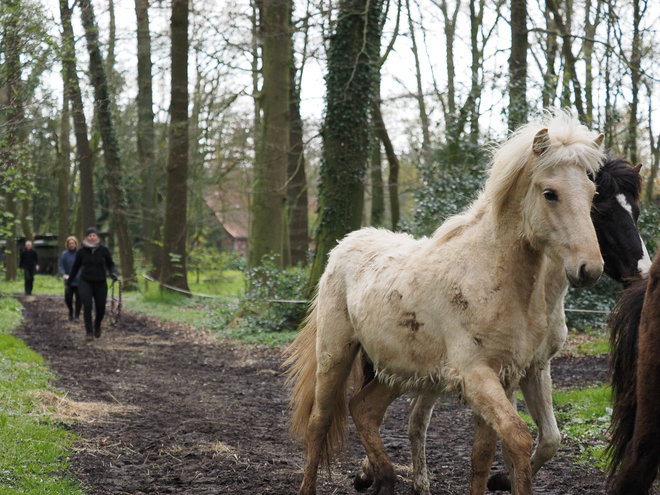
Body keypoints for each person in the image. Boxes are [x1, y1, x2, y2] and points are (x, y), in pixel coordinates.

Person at [66, 227, 119, 340]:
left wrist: (113, 273)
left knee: (101, 308)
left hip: (100, 282)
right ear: (86, 237)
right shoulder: (81, 251)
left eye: (94, 235)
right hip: (86, 281)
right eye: (90, 235)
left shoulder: (104, 250)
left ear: (97, 237)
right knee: (87, 305)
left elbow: (110, 264)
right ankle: (89, 332)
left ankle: (97, 324)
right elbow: (75, 267)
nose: (92, 237)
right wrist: (69, 282)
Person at [59, 236, 82, 322]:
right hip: (69, 280)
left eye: (73, 243)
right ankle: (71, 310)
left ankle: (77, 316)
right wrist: (63, 274)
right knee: (68, 298)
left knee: (79, 299)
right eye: (70, 244)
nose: (71, 245)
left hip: (79, 280)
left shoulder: (80, 254)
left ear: (76, 244)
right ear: (67, 245)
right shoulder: (64, 254)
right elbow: (61, 266)